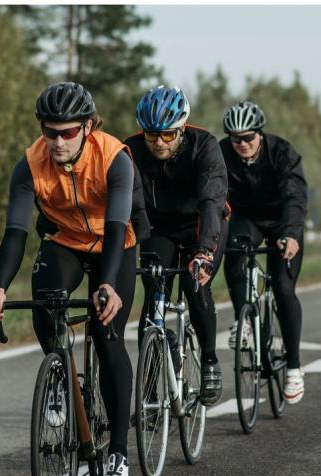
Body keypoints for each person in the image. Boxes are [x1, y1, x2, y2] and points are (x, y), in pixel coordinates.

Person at [0, 82, 150, 476]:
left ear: (88, 127)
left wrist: (106, 284)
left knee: (107, 334)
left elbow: (114, 226)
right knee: (45, 303)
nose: (57, 141)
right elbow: (16, 232)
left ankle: (120, 454)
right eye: (49, 131)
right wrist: (0, 286)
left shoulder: (114, 159)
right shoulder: (29, 164)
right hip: (66, 241)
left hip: (115, 243)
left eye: (68, 132)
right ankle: (61, 378)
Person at [124, 85, 229, 407]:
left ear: (182, 129)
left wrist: (204, 252)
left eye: (168, 135)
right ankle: (150, 396)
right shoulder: (131, 150)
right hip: (159, 227)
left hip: (202, 224)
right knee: (153, 297)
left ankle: (209, 360)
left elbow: (212, 202)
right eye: (152, 135)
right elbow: (124, 205)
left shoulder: (205, 146)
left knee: (195, 285)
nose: (158, 143)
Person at [220, 101, 308, 404]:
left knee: (283, 288)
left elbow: (295, 197)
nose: (242, 144)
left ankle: (294, 367)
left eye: (248, 138)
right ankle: (244, 319)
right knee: (232, 247)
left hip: (283, 220)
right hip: (249, 220)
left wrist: (291, 235)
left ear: (260, 134)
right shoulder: (222, 153)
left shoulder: (282, 152)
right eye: (236, 139)